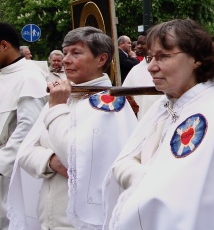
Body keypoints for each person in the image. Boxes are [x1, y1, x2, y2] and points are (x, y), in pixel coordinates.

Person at [104, 19, 214, 230]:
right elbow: (127, 158)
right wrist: (141, 174)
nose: (150, 67)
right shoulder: (165, 103)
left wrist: (137, 174)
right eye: (150, 57)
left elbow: (175, 196)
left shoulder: (213, 111)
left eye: (163, 56)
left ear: (196, 58)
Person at [9, 27, 137, 230]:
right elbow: (24, 153)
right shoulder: (65, 95)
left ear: (101, 59)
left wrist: (57, 108)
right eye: (65, 52)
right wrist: (50, 162)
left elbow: (72, 157)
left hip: (82, 224)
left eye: (76, 53)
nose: (66, 59)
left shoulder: (108, 104)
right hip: (49, 219)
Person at [0, 23, 48, 229]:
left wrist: (1, 164)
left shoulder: (30, 76)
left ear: (3, 45)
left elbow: (28, 129)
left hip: (10, 173)